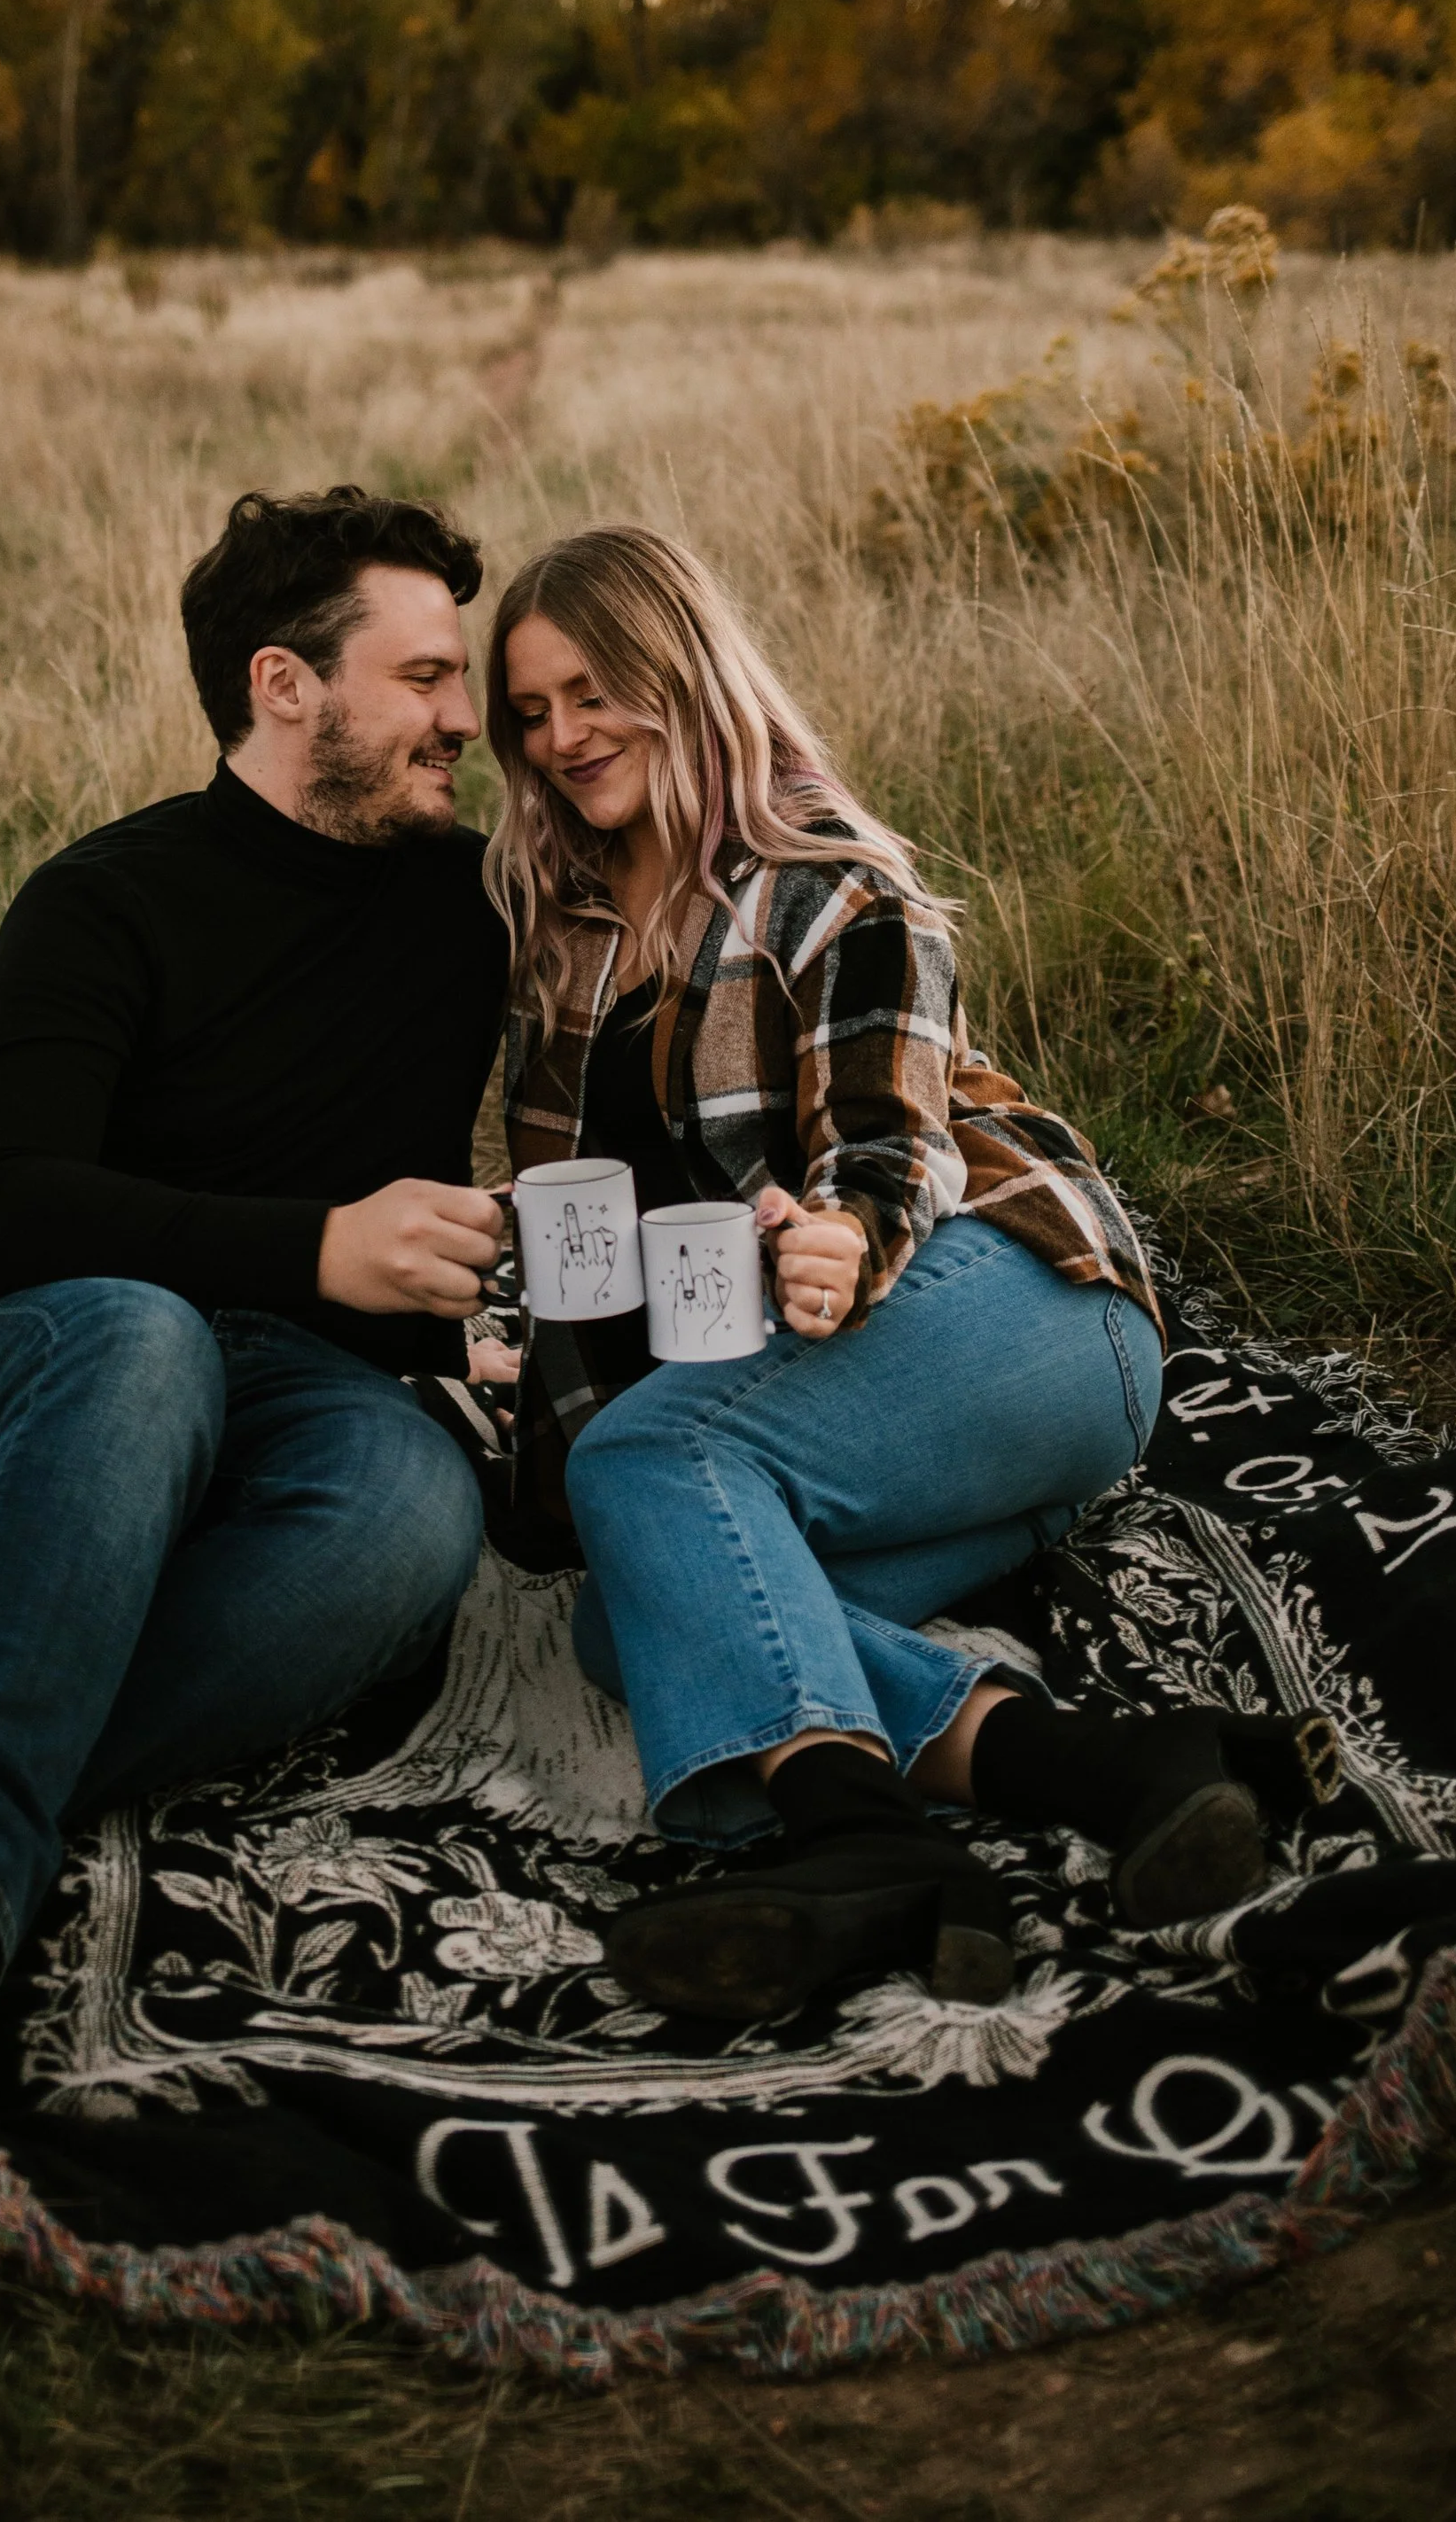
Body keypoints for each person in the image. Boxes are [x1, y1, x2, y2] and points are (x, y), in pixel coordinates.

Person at [0, 486, 510, 2101]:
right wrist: (320, 1246)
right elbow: (0, 1207)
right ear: (285, 685)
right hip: (43, 1375)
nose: (467, 714)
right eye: (426, 676)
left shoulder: (472, 902)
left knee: (419, 1506)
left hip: (297, 1396)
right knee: (146, 1331)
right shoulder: (106, 898)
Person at [488, 523, 1312, 2023]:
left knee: (651, 1464)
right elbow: (591, 1231)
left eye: (594, 692)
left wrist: (845, 1235)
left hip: (1025, 1301)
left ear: (680, 670)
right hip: (871, 1412)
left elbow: (892, 1141)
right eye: (532, 710)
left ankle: (859, 1841)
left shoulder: (828, 880)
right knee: (641, 1613)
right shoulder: (567, 928)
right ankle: (1115, 1767)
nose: (563, 737)